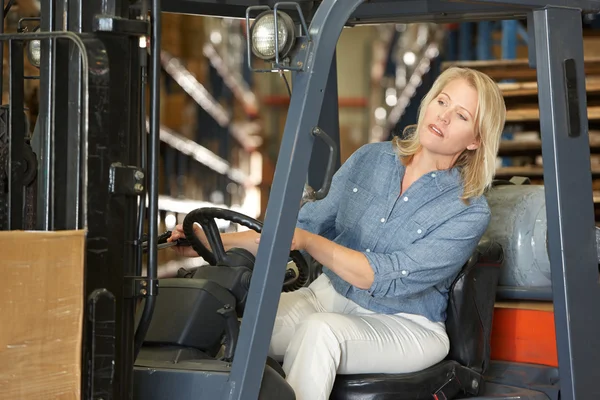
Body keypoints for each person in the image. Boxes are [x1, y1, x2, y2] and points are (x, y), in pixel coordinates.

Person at [167, 66, 507, 400]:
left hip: (407, 323)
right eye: (442, 101)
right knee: (230, 324)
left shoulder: (469, 210)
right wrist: (207, 241)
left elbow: (389, 277)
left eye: (462, 116)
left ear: (476, 140)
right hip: (327, 295)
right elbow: (298, 231)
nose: (444, 117)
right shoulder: (371, 159)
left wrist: (311, 243)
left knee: (320, 333)